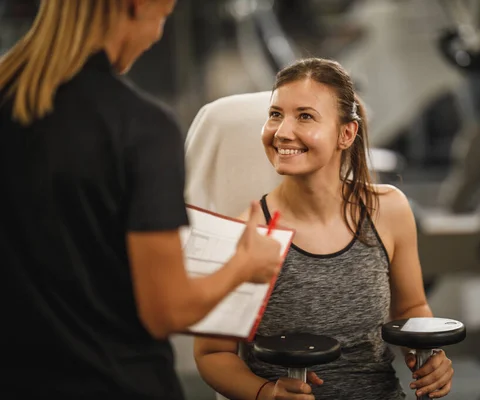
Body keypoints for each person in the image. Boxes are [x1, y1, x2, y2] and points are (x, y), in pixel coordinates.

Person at [0, 1, 282, 399]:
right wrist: (244, 265)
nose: (157, 35)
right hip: (115, 382)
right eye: (162, 17)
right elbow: (166, 310)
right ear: (136, 6)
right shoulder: (141, 128)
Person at [193, 58, 455, 400]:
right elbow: (213, 353)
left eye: (305, 116)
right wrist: (264, 393)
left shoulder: (388, 210)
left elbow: (411, 309)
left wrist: (430, 357)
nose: (283, 131)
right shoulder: (245, 231)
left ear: (345, 133)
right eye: (275, 114)